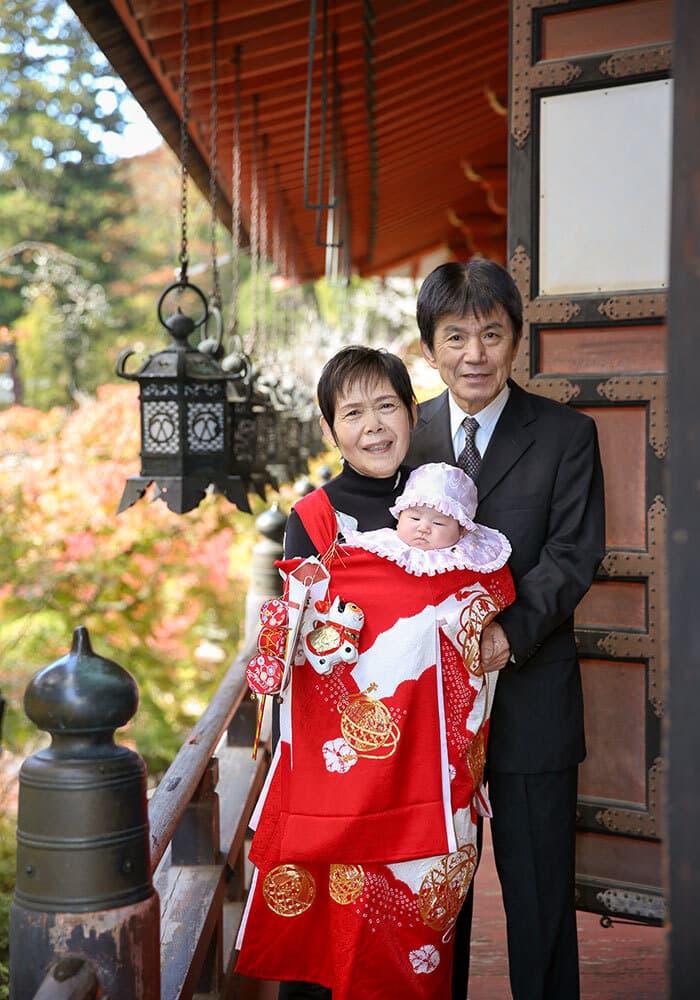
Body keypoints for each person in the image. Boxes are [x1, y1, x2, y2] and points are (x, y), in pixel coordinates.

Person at [235, 349, 514, 999]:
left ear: (414, 414)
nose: (374, 425)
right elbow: (303, 638)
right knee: (329, 930)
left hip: (432, 761)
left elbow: (482, 602)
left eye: (387, 406)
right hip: (344, 766)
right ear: (330, 430)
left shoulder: (451, 508)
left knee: (424, 927)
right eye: (353, 413)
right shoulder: (314, 519)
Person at [405, 259, 606, 1000]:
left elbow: (573, 555)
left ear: (517, 339)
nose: (475, 354)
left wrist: (507, 636)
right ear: (430, 347)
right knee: (434, 905)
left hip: (531, 701)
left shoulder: (565, 435)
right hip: (426, 715)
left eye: (492, 334)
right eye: (455, 337)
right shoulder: (406, 432)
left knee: (540, 902)